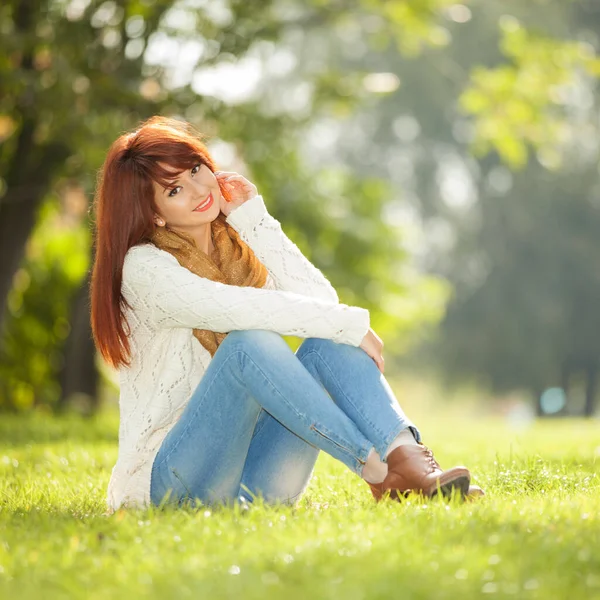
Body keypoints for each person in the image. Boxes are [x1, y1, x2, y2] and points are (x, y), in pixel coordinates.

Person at [90, 115, 482, 513]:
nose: (197, 189)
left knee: (327, 338)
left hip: (256, 486)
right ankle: (378, 472)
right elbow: (240, 310)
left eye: (195, 170)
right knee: (249, 345)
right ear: (153, 214)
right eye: (174, 189)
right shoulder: (144, 268)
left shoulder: (238, 249)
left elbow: (321, 305)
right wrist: (348, 322)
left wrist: (254, 219)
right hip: (175, 485)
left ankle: (409, 462)